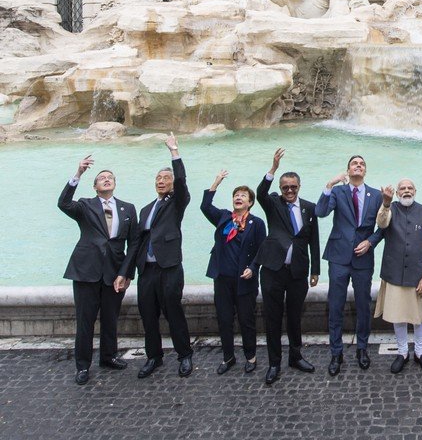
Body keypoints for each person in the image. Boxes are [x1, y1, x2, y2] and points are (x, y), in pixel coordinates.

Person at [57, 155, 139, 385]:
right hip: (86, 270)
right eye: (101, 178)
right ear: (95, 186)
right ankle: (82, 366)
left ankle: (108, 356)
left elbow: (133, 244)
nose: (106, 179)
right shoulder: (85, 205)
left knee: (111, 318)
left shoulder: (128, 209)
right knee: (85, 320)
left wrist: (126, 273)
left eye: (110, 177)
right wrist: (78, 174)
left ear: (115, 184)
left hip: (114, 272)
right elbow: (63, 203)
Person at [255, 148, 320, 385]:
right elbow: (260, 192)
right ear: (281, 189)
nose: (290, 191)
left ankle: (295, 356)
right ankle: (274, 363)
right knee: (272, 317)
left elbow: (314, 240)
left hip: (298, 272)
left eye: (293, 187)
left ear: (299, 187)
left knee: (294, 316)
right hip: (272, 270)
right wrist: (273, 168)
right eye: (285, 187)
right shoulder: (273, 203)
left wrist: (315, 270)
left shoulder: (309, 208)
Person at [315, 155, 384, 376]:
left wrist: (370, 242)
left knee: (364, 304)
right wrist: (329, 184)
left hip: (363, 257)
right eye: (355, 163)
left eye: (362, 164)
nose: (359, 166)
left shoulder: (377, 195)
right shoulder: (338, 192)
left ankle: (362, 348)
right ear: (348, 170)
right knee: (335, 305)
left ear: (366, 171)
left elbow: (383, 227)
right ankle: (336, 352)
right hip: (338, 256)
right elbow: (320, 212)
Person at [135, 133, 194, 379]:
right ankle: (154, 357)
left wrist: (174, 153)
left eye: (166, 178)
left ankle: (185, 355)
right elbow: (138, 242)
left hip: (169, 266)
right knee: (148, 315)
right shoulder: (146, 209)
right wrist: (125, 273)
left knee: (173, 312)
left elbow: (181, 181)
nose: (161, 181)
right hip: (147, 270)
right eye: (158, 178)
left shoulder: (177, 202)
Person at [201, 170, 267, 375]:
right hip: (222, 278)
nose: (238, 198)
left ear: (250, 202)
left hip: (244, 280)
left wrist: (253, 268)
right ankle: (228, 357)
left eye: (243, 196)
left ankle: (251, 356)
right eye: (236, 195)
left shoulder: (257, 223)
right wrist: (216, 182)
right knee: (224, 319)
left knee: (247, 321)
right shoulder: (223, 217)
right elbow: (205, 206)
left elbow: (261, 250)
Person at [374, 179, 422, 374]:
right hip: (394, 273)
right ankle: (402, 352)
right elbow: (381, 223)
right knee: (398, 315)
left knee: (420, 316)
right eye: (402, 188)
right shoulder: (389, 208)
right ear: (396, 192)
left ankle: (420, 352)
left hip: (418, 275)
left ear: (415, 191)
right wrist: (385, 203)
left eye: (410, 188)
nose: (406, 191)